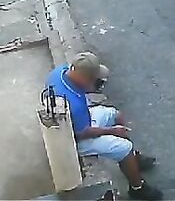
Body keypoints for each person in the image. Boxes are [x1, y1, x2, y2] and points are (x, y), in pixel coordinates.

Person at [46, 52, 162, 201]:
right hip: (73, 139)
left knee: (115, 114)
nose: (95, 82)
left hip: (77, 121)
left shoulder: (59, 72)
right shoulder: (74, 106)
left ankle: (132, 159)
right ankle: (137, 188)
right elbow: (84, 133)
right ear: (83, 77)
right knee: (124, 147)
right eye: (92, 79)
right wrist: (112, 131)